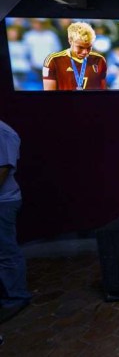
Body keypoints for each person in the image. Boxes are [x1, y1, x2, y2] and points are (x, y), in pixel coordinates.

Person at [0, 120, 31, 324]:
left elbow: (2, 169)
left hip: (3, 202)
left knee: (5, 252)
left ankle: (16, 298)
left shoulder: (3, 132)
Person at [42, 21, 107, 91]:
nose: (85, 52)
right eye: (80, 47)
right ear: (70, 41)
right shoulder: (53, 60)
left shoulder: (99, 60)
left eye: (89, 47)